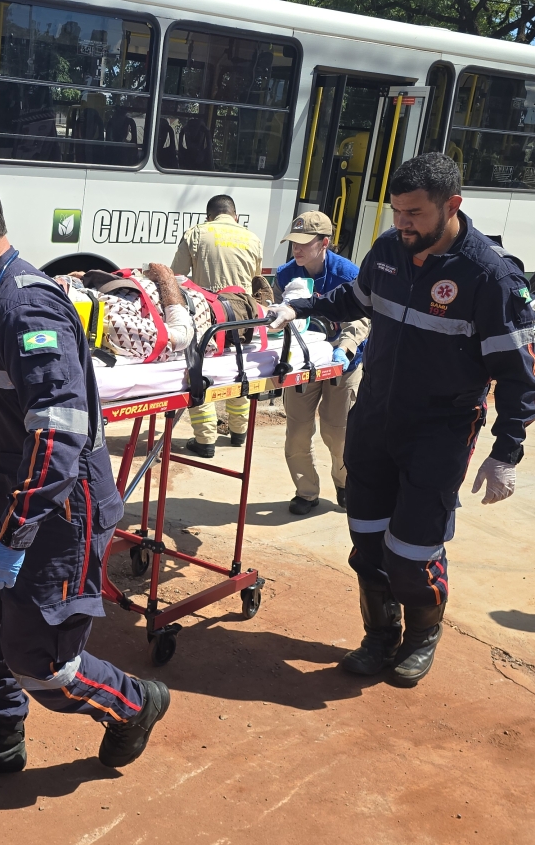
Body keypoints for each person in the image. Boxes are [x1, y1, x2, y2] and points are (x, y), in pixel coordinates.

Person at [0, 154, 169, 783]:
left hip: (57, 511)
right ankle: (1, 738)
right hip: (12, 496)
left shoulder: (26, 309)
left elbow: (58, 438)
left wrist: (15, 536)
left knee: (41, 663)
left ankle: (135, 703)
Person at [268, 153, 535, 686]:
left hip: (438, 433)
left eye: (413, 213)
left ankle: (421, 635)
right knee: (367, 544)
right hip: (375, 420)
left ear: (452, 205)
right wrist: (302, 307)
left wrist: (506, 450)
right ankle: (380, 635)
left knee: (411, 554)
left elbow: (520, 373)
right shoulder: (389, 250)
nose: (402, 224)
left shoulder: (490, 276)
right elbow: (357, 298)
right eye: (396, 212)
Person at [274, 210, 370, 515]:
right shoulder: (286, 274)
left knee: (337, 432)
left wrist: (346, 347)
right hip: (303, 363)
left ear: (325, 242)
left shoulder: (350, 274)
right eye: (294, 242)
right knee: (298, 432)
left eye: (304, 242)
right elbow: (278, 318)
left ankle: (344, 484)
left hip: (344, 364)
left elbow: (364, 317)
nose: (297, 248)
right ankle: (306, 492)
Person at [171, 194, 264, 458]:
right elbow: (255, 280)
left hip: (209, 317)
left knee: (198, 372)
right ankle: (239, 433)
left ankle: (205, 440)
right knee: (239, 370)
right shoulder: (252, 238)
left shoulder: (197, 233)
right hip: (244, 319)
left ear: (208, 216)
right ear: (235, 216)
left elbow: (176, 275)